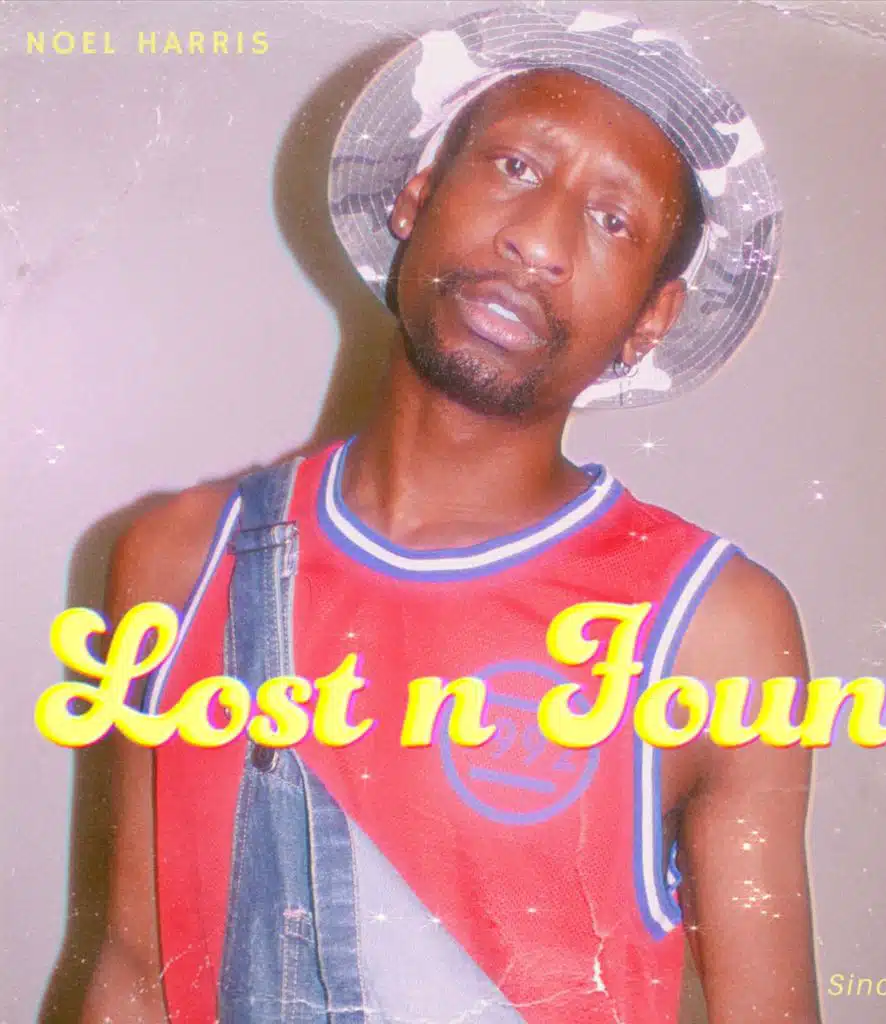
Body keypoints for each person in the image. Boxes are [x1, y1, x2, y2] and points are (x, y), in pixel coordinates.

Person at [82, 7, 820, 1023]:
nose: (537, 239)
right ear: (416, 195)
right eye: (515, 166)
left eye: (613, 221)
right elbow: (136, 965)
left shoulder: (714, 630)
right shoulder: (178, 559)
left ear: (649, 321)